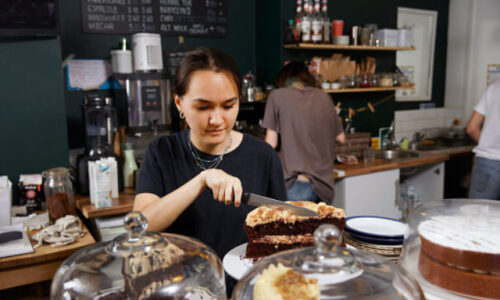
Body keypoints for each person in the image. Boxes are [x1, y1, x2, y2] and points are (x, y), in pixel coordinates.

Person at [134, 48, 287, 262]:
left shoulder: (263, 156)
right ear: (180, 103)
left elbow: (280, 233)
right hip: (185, 287)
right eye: (203, 107)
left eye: (228, 105)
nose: (216, 119)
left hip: (244, 287)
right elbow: (139, 226)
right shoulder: (162, 152)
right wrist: (202, 180)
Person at [262, 61, 345, 204]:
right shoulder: (324, 97)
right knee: (317, 226)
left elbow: (270, 144)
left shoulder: (277, 96)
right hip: (323, 187)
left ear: (283, 80)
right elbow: (341, 138)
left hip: (295, 186)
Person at [466, 80, 500, 200]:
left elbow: (471, 128)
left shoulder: (495, 87)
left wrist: (488, 144)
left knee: (478, 215)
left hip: (487, 163)